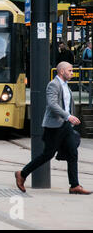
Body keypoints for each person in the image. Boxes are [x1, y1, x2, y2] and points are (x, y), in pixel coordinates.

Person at [15, 61, 91, 195]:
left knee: (73, 153)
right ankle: (22, 173)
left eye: (72, 71)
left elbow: (67, 104)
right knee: (47, 155)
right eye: (70, 71)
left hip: (65, 125)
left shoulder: (66, 86)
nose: (72, 73)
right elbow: (52, 104)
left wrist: (70, 119)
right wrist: (68, 116)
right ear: (61, 71)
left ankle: (74, 185)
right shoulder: (53, 85)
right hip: (54, 126)